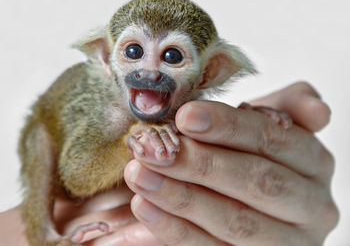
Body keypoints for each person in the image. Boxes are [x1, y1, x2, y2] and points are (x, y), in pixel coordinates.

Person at [0, 82, 338, 246]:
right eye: (133, 54)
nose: (149, 74)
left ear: (212, 70)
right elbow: (75, 179)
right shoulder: (106, 105)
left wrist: (250, 125)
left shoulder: (181, 105)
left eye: (172, 58)